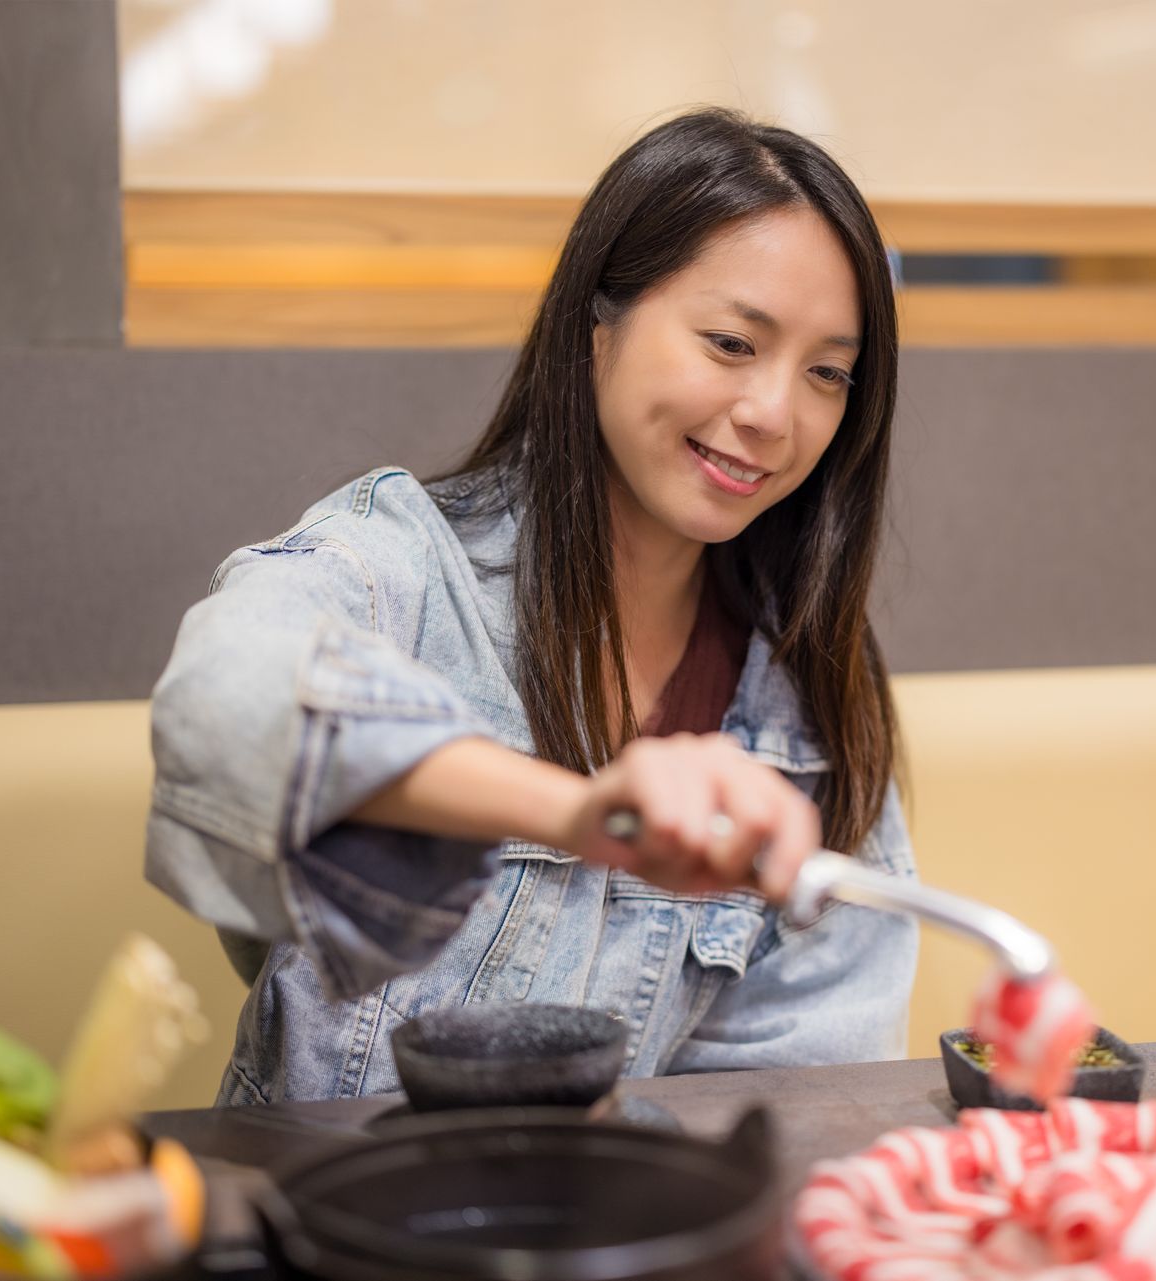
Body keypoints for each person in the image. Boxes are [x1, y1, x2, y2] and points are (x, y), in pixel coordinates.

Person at [144, 107, 918, 1105]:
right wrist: (579, 813)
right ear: (597, 330)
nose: (775, 413)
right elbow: (220, 702)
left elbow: (799, 1103)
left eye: (827, 373)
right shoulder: (408, 568)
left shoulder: (807, 695)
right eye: (731, 342)